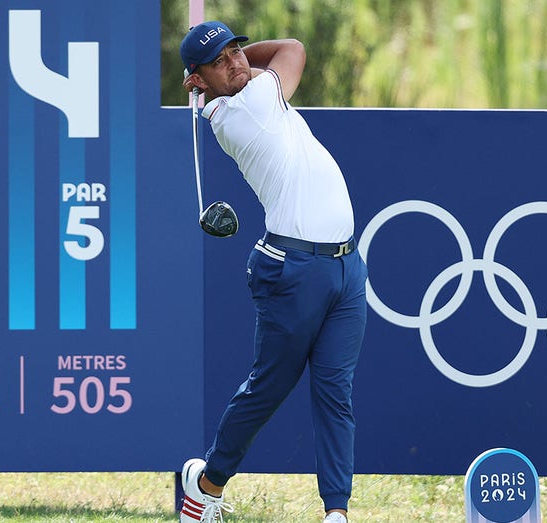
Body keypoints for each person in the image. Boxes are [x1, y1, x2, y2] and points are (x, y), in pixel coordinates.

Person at [177, 21, 367, 523]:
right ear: (200, 81)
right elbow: (293, 48)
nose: (236, 62)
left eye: (237, 51)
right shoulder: (246, 107)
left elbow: (269, 58)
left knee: (336, 391)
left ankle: (337, 513)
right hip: (294, 268)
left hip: (347, 266)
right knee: (269, 388)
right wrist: (215, 71)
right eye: (219, 62)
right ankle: (206, 485)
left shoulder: (247, 89)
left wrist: (212, 64)